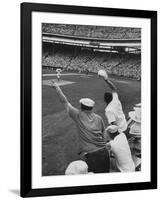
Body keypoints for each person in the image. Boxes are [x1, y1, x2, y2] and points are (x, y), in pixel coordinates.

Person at [51, 80, 110, 173]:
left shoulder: (78, 115)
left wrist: (57, 88)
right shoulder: (99, 118)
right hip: (105, 152)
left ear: (81, 106)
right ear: (92, 107)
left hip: (92, 155)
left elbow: (65, 102)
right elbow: (105, 134)